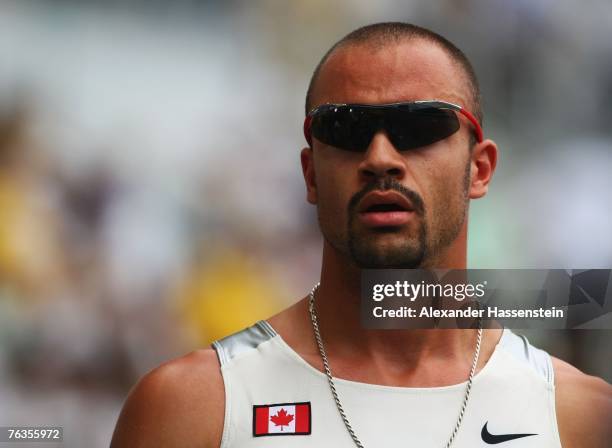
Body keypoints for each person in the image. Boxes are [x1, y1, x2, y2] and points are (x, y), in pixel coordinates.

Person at [110, 22, 612, 447]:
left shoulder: (581, 419)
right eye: (345, 130)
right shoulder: (191, 409)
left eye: (420, 126)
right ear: (309, 175)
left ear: (479, 170)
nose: (380, 159)